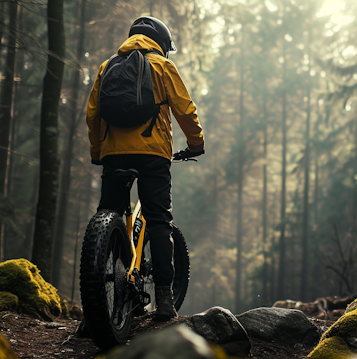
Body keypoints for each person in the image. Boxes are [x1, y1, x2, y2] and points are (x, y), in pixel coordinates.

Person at [86, 16, 204, 320]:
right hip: (152, 156)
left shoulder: (107, 65)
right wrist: (195, 144)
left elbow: (92, 114)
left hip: (114, 155)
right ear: (162, 44)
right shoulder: (163, 66)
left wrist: (99, 152)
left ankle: (93, 306)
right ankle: (164, 299)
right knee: (159, 221)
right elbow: (184, 108)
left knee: (106, 216)